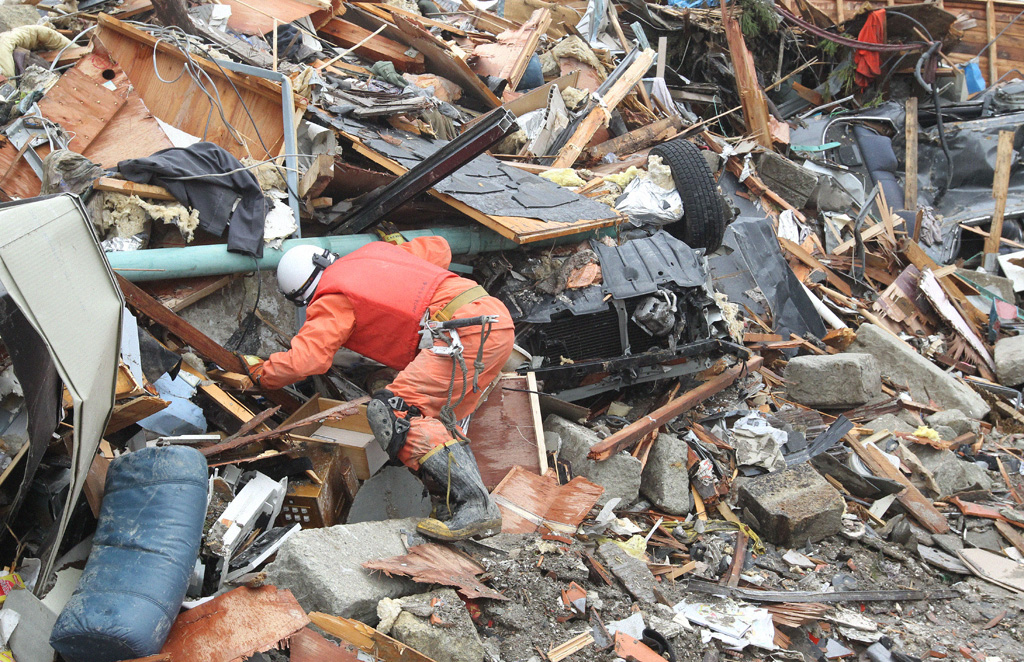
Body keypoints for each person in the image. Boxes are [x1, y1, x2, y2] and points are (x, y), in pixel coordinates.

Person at [246, 236, 515, 541]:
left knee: (393, 412)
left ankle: (477, 507)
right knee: (432, 417)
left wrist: (261, 374)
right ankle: (456, 503)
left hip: (461, 336)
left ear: (300, 295)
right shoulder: (375, 253)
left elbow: (306, 361)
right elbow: (440, 247)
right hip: (492, 319)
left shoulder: (332, 297)